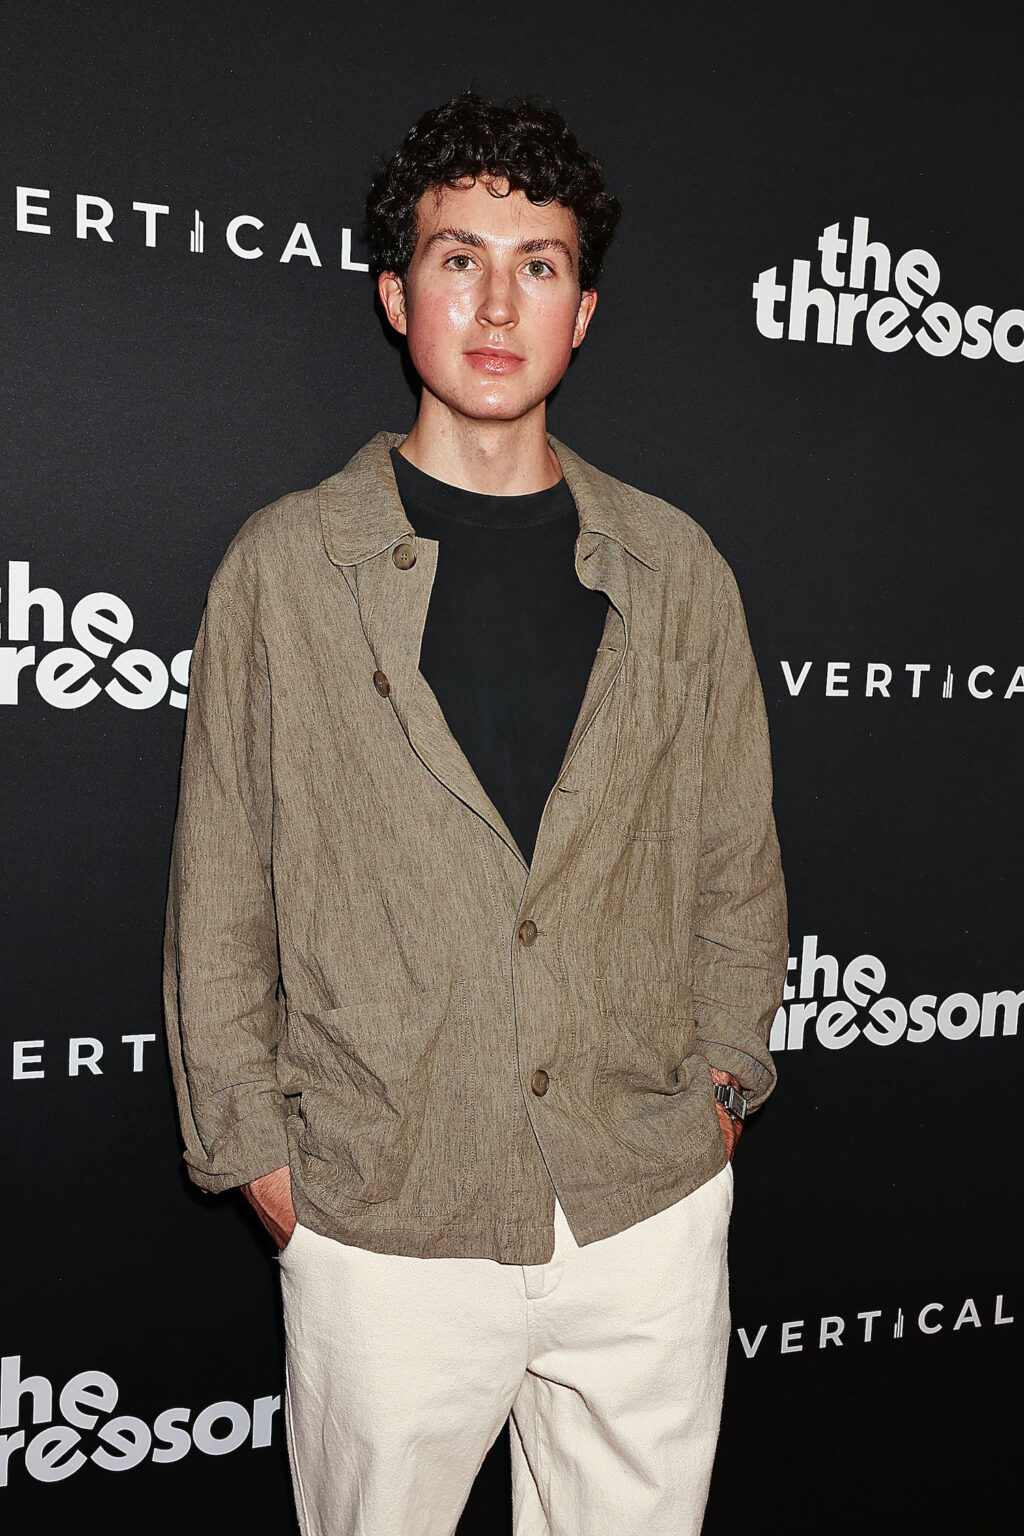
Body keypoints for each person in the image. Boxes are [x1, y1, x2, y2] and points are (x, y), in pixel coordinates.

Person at [162, 89, 788, 1536]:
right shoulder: (284, 569)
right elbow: (221, 887)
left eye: (540, 264)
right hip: (385, 1223)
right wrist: (268, 1172)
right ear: (396, 295)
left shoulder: (677, 567)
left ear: (585, 309)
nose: (498, 302)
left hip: (644, 1210)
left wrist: (720, 1092)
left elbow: (734, 863)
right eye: (459, 259)